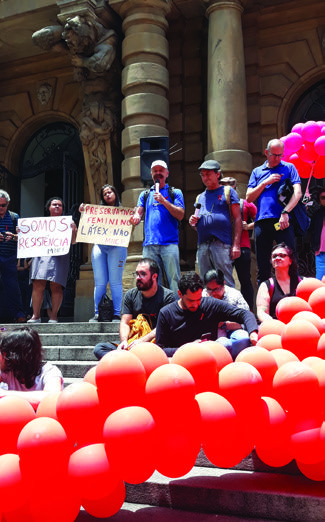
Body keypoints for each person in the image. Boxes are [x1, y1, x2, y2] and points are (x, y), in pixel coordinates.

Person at [155, 271, 258, 356]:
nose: (195, 305)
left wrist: (253, 332)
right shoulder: (166, 314)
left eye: (198, 299)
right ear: (180, 294)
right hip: (181, 363)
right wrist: (188, 348)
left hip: (210, 359)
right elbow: (160, 350)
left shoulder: (210, 304)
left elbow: (245, 314)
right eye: (190, 301)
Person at [94, 258, 176, 360]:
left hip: (155, 345)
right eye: (136, 274)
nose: (138, 277)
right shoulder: (130, 295)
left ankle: (127, 361)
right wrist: (124, 341)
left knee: (172, 352)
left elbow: (162, 328)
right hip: (133, 343)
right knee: (99, 349)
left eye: (143, 274)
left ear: (154, 276)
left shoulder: (167, 296)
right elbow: (125, 323)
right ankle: (129, 361)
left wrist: (142, 341)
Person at [246, 139, 302, 286]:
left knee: (291, 262)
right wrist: (265, 182)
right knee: (263, 266)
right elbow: (249, 197)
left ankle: (294, 298)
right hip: (262, 223)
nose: (277, 158)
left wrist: (285, 212)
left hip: (281, 222)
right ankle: (264, 303)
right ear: (266, 153)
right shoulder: (257, 172)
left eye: (280, 155)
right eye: (273, 155)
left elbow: (298, 193)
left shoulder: (289, 167)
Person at [130, 160, 185, 295]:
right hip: (149, 245)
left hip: (169, 244)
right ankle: (156, 311)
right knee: (151, 281)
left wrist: (164, 201)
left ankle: (176, 310)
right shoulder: (145, 194)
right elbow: (139, 211)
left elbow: (180, 214)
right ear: (151, 174)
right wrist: (136, 217)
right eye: (155, 171)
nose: (158, 173)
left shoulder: (175, 192)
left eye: (161, 171)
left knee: (174, 279)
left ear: (167, 174)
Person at [189, 160, 241, 287]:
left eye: (208, 174)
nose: (205, 178)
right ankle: (208, 307)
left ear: (218, 174)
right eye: (202, 175)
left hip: (221, 244)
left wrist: (236, 245)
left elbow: (238, 218)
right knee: (205, 283)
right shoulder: (200, 197)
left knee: (226, 282)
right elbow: (197, 226)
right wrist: (193, 222)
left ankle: (228, 307)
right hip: (203, 246)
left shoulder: (227, 191)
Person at [79, 185, 127, 322]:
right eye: (104, 193)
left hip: (117, 247)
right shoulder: (95, 212)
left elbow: (131, 228)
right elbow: (87, 226)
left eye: (110, 192)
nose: (107, 195)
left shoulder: (124, 212)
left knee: (115, 282)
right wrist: (83, 212)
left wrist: (134, 217)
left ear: (115, 193)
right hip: (99, 247)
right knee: (100, 282)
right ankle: (97, 313)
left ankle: (117, 314)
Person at [28, 197, 77, 324]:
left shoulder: (68, 222)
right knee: (38, 283)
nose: (56, 207)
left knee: (56, 285)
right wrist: (21, 233)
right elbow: (29, 239)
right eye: (54, 204)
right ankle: (36, 316)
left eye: (59, 205)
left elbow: (73, 242)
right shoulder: (39, 223)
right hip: (41, 255)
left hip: (59, 256)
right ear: (48, 207)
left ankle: (54, 316)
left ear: (62, 209)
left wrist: (74, 231)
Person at [0, 327, 63, 409]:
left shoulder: (50, 371)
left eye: (3, 353)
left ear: (14, 357)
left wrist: (4, 394)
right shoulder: (8, 370)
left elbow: (53, 398)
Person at [220, 176, 257, 310]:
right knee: (223, 283)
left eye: (231, 184)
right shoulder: (218, 204)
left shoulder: (245, 203)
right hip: (221, 247)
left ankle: (249, 312)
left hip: (242, 247)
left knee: (245, 281)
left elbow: (261, 218)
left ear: (236, 186)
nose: (228, 187)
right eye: (224, 184)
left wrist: (249, 226)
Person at [202, 269, 251, 359]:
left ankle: (238, 361)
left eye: (216, 289)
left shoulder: (234, 295)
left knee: (242, 338)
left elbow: (246, 321)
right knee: (223, 343)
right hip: (211, 335)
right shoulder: (202, 297)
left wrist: (224, 325)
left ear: (223, 284)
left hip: (232, 330)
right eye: (209, 290)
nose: (213, 294)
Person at [256, 243, 300, 322]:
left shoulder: (302, 282)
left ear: (290, 260)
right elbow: (261, 312)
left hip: (299, 326)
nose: (277, 258)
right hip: (275, 328)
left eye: (281, 255)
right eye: (274, 256)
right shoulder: (266, 286)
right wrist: (276, 325)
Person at [0, 190, 26, 323]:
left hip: (10, 257)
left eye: (3, 205)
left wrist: (14, 236)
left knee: (13, 287)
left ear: (8, 204)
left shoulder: (14, 217)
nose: (1, 208)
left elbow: (24, 237)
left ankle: (19, 314)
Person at [310, 187, 325, 280]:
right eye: (323, 198)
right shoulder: (317, 214)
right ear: (319, 201)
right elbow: (310, 229)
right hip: (321, 252)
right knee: (320, 281)